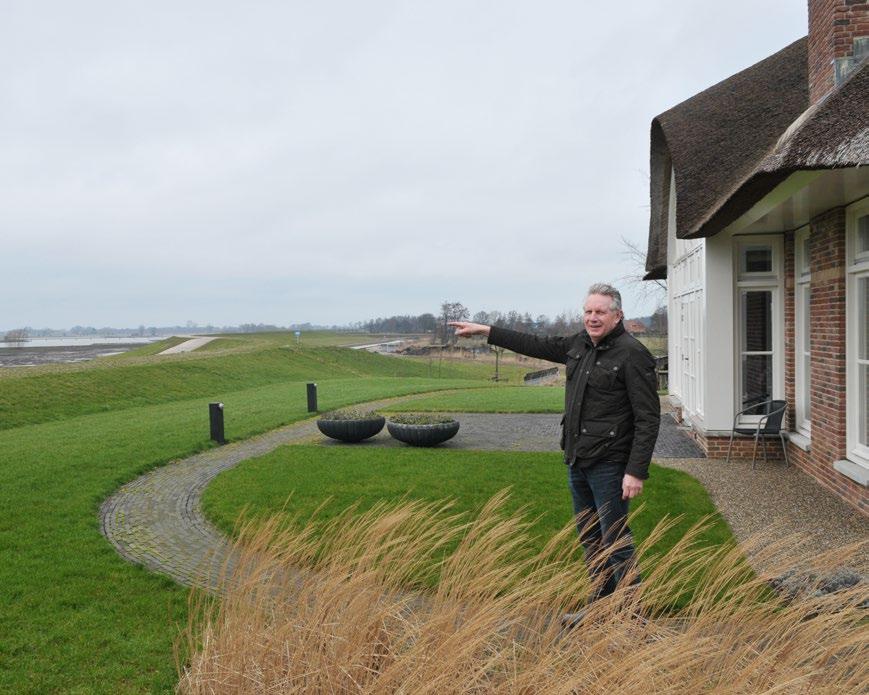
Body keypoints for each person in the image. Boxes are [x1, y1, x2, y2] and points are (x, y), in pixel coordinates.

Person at [449, 282, 660, 614]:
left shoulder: (633, 354)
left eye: (600, 312)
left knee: (615, 540)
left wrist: (635, 471)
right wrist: (486, 330)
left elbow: (648, 418)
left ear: (617, 316)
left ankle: (634, 614)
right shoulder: (578, 345)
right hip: (577, 461)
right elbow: (532, 343)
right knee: (590, 538)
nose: (592, 317)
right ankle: (601, 606)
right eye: (588, 311)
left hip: (610, 464)